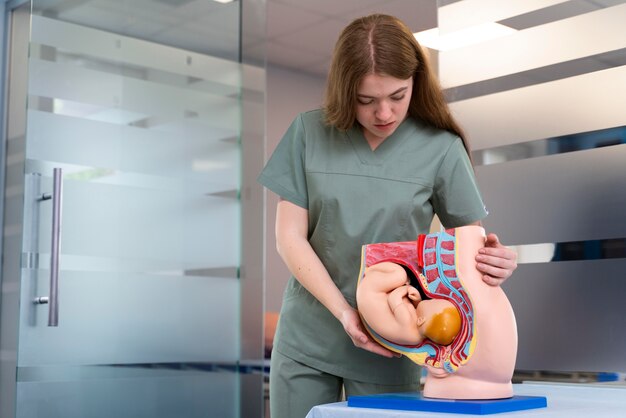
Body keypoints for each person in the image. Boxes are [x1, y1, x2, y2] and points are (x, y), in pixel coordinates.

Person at [257, 13, 518, 418]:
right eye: (366, 100)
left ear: (416, 82)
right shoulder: (308, 132)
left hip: (395, 342)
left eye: (398, 96)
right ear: (346, 93)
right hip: (308, 338)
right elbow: (289, 238)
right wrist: (345, 313)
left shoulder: (441, 148)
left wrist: (494, 262)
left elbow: (467, 249)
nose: (384, 113)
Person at [356, 261, 461, 346]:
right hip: (377, 300)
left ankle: (369, 270)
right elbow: (416, 310)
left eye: (432, 302)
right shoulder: (417, 334)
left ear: (421, 320)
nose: (431, 299)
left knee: (400, 275)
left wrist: (406, 288)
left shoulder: (406, 322)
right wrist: (417, 300)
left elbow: (393, 298)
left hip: (370, 292)